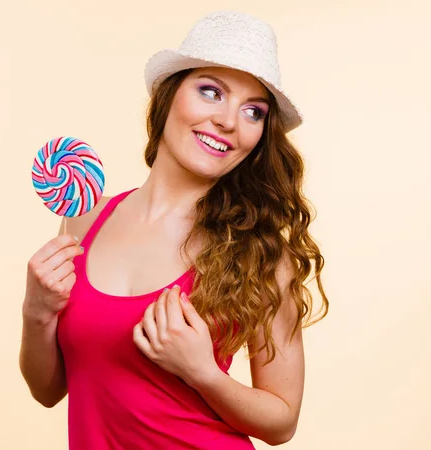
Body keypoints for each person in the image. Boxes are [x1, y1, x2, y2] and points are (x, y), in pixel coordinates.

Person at [19, 10, 328, 449]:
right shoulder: (82, 219)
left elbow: (282, 422)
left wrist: (201, 372)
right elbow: (48, 390)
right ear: (169, 95)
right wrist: (37, 310)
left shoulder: (259, 252)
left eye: (253, 111)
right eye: (210, 91)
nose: (228, 121)